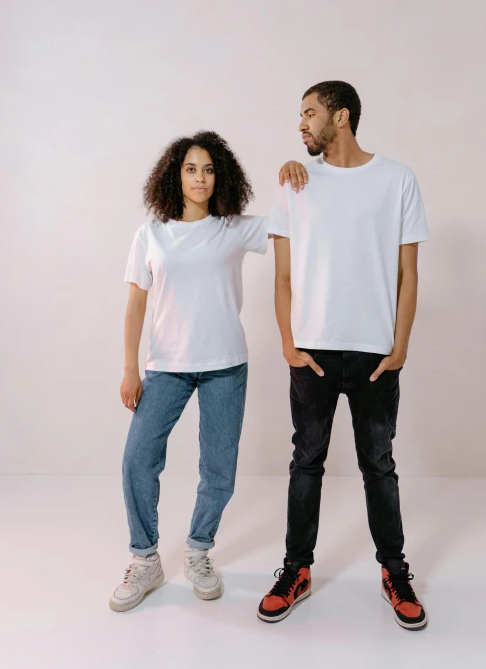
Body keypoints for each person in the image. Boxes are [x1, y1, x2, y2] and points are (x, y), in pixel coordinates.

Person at [258, 81, 430, 630]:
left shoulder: (397, 179)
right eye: (299, 115)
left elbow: (408, 272)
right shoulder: (293, 183)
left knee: (378, 463)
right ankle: (296, 569)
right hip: (311, 352)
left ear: (343, 116)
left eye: (310, 113)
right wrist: (288, 341)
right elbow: (282, 276)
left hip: (375, 353)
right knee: (306, 460)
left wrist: (400, 344)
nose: (301, 124)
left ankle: (395, 572)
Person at [109, 131, 303, 612]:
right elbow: (136, 305)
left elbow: (298, 219)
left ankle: (199, 550)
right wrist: (130, 368)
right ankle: (146, 558)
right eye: (192, 168)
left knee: (219, 470)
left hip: (225, 366)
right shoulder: (151, 232)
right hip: (165, 368)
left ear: (222, 177)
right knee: (137, 460)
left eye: (209, 169)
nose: (200, 178)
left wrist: (294, 175)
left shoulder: (235, 227)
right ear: (176, 175)